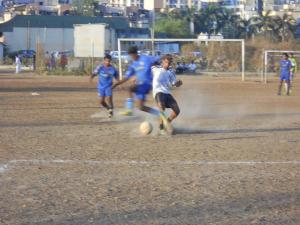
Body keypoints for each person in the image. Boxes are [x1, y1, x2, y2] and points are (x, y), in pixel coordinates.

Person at [112, 46, 160, 117]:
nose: (131, 57)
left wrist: (157, 63)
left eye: (132, 55)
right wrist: (116, 84)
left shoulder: (145, 58)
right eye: (130, 55)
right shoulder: (133, 65)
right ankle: (158, 113)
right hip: (141, 86)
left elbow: (158, 59)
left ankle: (129, 110)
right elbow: (126, 77)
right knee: (141, 107)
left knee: (130, 88)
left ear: (135, 53)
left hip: (146, 84)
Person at [152, 54, 183, 134]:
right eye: (166, 62)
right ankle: (161, 126)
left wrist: (178, 83)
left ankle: (167, 122)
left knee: (177, 111)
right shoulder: (155, 68)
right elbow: (146, 68)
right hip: (158, 91)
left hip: (166, 92)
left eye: (169, 63)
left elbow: (174, 83)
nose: (168, 64)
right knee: (161, 107)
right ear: (162, 61)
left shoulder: (171, 72)